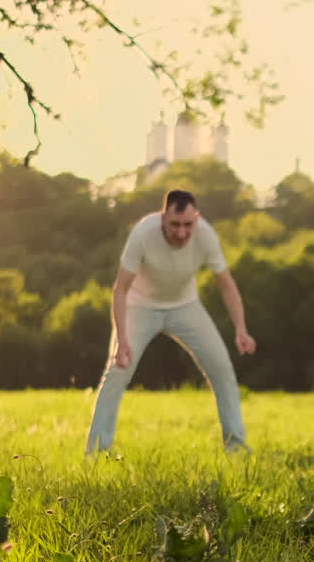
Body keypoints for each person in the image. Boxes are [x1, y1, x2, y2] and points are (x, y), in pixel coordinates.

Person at [85, 189, 257, 454]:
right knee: (118, 371)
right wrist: (122, 339)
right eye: (175, 224)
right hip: (139, 307)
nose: (181, 232)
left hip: (186, 306)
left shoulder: (206, 235)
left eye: (188, 225)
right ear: (163, 217)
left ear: (196, 218)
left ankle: (236, 445)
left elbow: (226, 284)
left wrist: (241, 330)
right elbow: (120, 288)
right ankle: (97, 452)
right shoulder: (144, 233)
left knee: (222, 367)